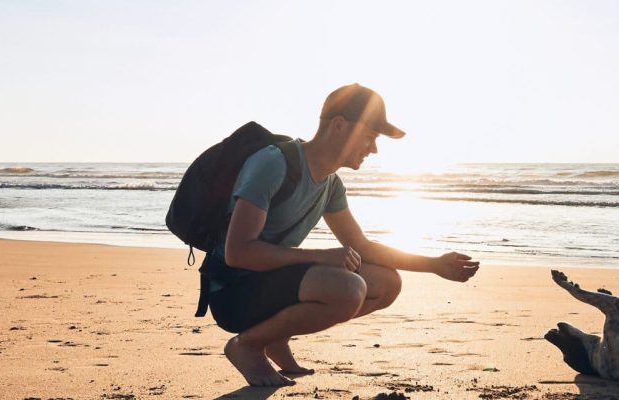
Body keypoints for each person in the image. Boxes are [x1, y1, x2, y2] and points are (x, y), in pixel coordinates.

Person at [204, 83, 481, 387]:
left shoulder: (331, 185)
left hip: (269, 284)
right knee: (348, 289)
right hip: (232, 292)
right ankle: (248, 345)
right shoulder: (274, 163)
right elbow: (239, 252)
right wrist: (320, 256)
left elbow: (361, 245)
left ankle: (275, 337)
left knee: (387, 283)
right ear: (339, 126)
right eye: (370, 136)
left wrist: (434, 264)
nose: (374, 149)